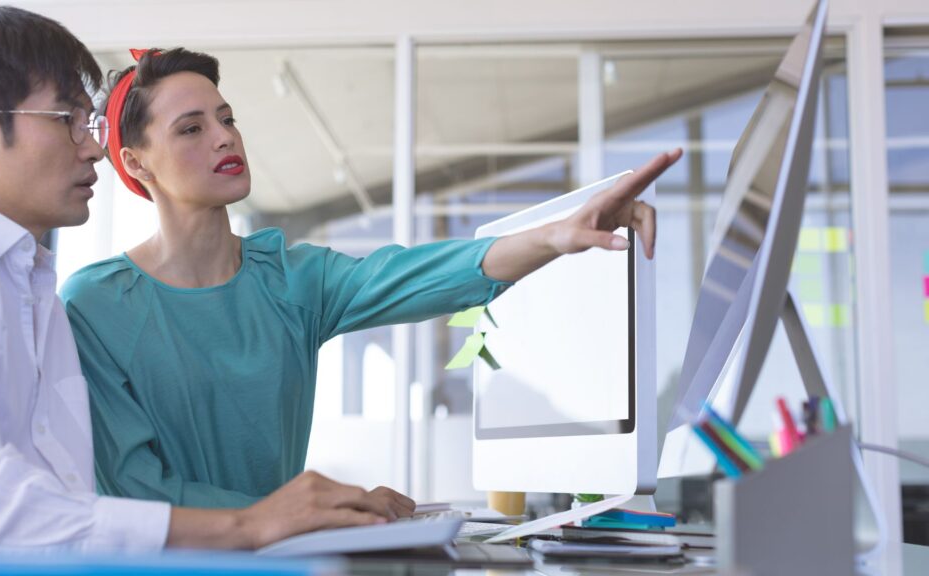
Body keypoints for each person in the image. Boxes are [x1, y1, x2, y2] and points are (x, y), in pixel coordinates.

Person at [60, 48, 681, 509]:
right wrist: (316, 511)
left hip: (286, 559)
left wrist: (556, 236)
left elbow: (423, 275)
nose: (226, 136)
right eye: (192, 128)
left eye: (227, 117)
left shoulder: (290, 280)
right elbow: (139, 493)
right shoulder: (97, 304)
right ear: (137, 163)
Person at [0, 6, 409, 558]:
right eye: (65, 120)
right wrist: (249, 524)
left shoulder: (33, 286)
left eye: (89, 124)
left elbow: (63, 503)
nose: (92, 148)